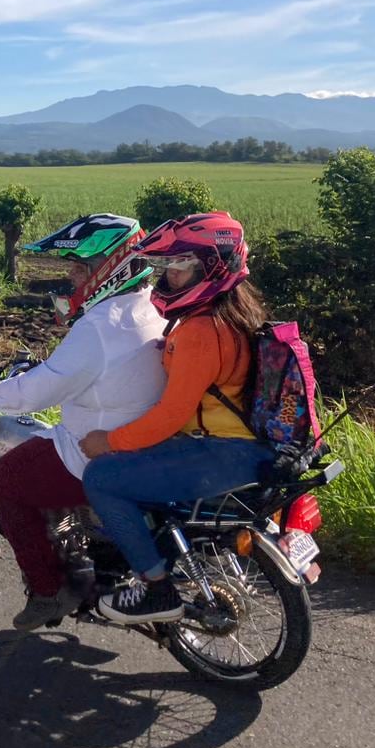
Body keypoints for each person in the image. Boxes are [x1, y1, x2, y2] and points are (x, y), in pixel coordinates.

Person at [0, 214, 166, 631]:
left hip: (95, 450)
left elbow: (38, 392)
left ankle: (48, 591)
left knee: (6, 482)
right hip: (148, 440)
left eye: (81, 267)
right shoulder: (154, 305)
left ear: (111, 268)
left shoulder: (99, 326)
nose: (71, 275)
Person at [80, 212, 275, 625]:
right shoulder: (234, 313)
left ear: (212, 268)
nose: (167, 279)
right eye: (164, 268)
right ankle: (153, 556)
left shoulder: (201, 331)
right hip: (247, 449)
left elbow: (170, 416)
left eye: (178, 268)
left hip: (219, 454)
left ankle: (156, 588)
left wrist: (108, 441)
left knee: (101, 478)